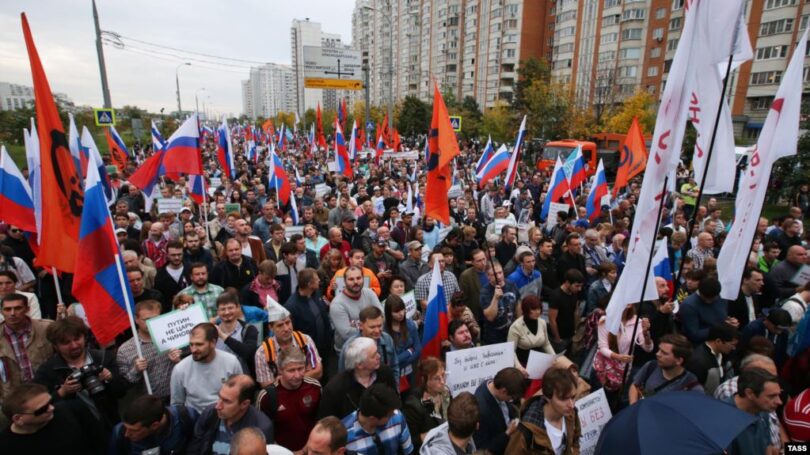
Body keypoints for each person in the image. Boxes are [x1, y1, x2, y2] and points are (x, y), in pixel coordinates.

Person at [34, 316, 126, 426]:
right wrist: (62, 392)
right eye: (66, 343)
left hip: (110, 422)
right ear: (56, 346)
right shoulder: (48, 370)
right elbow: (38, 406)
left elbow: (122, 392)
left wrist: (110, 378)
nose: (74, 345)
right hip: (73, 427)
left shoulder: (103, 358)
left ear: (85, 337)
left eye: (77, 339)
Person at [0, 382, 106, 454]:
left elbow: (102, 444)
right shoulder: (5, 446)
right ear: (18, 419)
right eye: (42, 409)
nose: (51, 408)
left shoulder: (73, 410)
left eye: (51, 402)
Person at [187, 374, 274, 454]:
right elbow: (194, 449)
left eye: (226, 401)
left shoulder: (261, 428)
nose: (218, 406)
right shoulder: (210, 413)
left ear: (244, 404)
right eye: (219, 397)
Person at [256, 347, 322, 452]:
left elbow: (321, 422)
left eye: (300, 369)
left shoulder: (314, 387)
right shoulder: (266, 397)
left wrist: (306, 449)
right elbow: (261, 433)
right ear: (280, 370)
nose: (297, 375)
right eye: (291, 370)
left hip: (310, 449)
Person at [505, 368, 582, 455]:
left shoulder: (572, 413)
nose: (571, 405)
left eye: (573, 397)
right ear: (547, 397)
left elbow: (575, 441)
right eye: (563, 399)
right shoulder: (526, 430)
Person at [116, 300, 182, 400]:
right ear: (136, 319)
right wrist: (136, 370)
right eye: (146, 319)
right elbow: (124, 385)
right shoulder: (125, 350)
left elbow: (195, 356)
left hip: (179, 396)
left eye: (155, 319)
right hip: (151, 402)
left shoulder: (173, 335)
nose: (151, 323)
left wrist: (184, 313)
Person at [318, 337, 397, 420]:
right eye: (373, 356)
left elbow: (394, 401)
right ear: (359, 365)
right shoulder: (335, 389)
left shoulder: (384, 372)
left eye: (377, 352)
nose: (379, 356)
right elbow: (327, 423)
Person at [170, 323, 244, 413]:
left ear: (213, 343)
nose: (193, 349)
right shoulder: (180, 369)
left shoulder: (231, 362)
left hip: (227, 415)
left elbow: (241, 394)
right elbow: (177, 405)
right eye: (191, 344)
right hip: (196, 418)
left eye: (199, 344)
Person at [255, 299, 322, 387]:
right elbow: (266, 385)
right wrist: (304, 376)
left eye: (288, 322)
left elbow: (318, 372)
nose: (286, 329)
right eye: (280, 325)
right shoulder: (262, 352)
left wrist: (284, 380)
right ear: (271, 328)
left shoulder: (305, 340)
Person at [0, 292, 52, 401]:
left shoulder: (46, 328)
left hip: (48, 391)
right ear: (1, 311)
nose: (12, 313)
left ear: (27, 309)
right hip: (13, 398)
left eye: (18, 308)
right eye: (8, 309)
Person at [109, 394, 200, 454]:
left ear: (154, 425)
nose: (127, 434)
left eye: (134, 430)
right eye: (126, 428)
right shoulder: (119, 433)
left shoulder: (187, 418)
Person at [629, 334, 703, 404]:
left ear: (679, 360)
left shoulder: (691, 385)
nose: (658, 354)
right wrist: (634, 407)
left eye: (664, 353)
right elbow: (635, 385)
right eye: (659, 350)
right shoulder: (651, 366)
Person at [342, 383, 413, 455]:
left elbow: (408, 451)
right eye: (389, 416)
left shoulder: (398, 417)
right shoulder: (343, 434)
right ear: (373, 418)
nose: (394, 415)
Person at [724, 368, 782, 455]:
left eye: (778, 395)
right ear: (750, 393)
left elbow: (767, 447)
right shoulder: (722, 420)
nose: (779, 402)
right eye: (771, 396)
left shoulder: (762, 409)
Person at [285, 268, 333, 369]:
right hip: (307, 353)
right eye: (316, 279)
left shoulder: (317, 293)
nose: (319, 280)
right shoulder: (291, 306)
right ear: (310, 284)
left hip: (324, 349)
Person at [329, 266, 384, 353]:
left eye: (358, 278)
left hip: (373, 344)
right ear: (344, 281)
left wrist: (357, 325)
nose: (356, 282)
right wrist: (372, 327)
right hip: (349, 350)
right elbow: (347, 334)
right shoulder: (337, 304)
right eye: (351, 279)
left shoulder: (369, 293)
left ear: (363, 279)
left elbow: (382, 316)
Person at [403, 357, 452, 452]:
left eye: (443, 375)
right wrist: (437, 433)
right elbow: (412, 442)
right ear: (424, 380)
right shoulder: (413, 405)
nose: (442, 382)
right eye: (436, 378)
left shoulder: (446, 393)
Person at [473, 367, 525, 455]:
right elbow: (483, 449)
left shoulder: (492, 385)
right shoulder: (481, 411)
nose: (510, 401)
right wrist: (507, 433)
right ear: (504, 391)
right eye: (511, 398)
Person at [338, 306, 399, 381]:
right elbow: (344, 377)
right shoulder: (349, 347)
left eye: (380, 326)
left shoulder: (387, 339)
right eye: (372, 327)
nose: (377, 331)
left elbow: (394, 367)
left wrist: (394, 387)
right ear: (360, 326)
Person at [679, 276, 737, 345]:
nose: (708, 301)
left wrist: (730, 323)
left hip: (722, 341)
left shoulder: (722, 298)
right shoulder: (688, 305)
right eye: (705, 298)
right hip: (702, 344)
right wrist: (720, 328)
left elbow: (722, 318)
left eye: (712, 298)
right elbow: (694, 335)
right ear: (699, 292)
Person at [686, 323, 739, 396]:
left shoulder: (724, 354)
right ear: (718, 341)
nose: (734, 348)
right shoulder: (698, 362)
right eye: (732, 345)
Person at [214, 293, 260, 376]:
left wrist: (222, 336)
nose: (227, 312)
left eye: (230, 308)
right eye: (223, 309)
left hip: (243, 379)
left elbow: (247, 353)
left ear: (238, 307)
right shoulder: (211, 332)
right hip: (218, 378)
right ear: (217, 311)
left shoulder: (249, 329)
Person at [384, 294, 421, 391]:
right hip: (393, 376)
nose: (401, 313)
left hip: (410, 373)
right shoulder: (384, 330)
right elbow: (390, 360)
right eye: (396, 311)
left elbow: (418, 350)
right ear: (389, 313)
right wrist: (409, 352)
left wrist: (401, 362)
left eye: (402, 309)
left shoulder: (410, 325)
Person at [480, 261, 520, 345]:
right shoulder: (485, 291)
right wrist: (495, 298)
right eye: (494, 274)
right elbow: (490, 317)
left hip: (512, 333)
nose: (498, 276)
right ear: (488, 276)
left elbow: (518, 306)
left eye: (500, 272)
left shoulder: (511, 285)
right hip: (494, 338)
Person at [508, 295, 554, 366]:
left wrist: (554, 357)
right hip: (522, 364)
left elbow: (546, 344)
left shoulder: (542, 322)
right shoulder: (516, 326)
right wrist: (519, 367)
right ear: (526, 310)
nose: (537, 312)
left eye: (539, 309)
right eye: (533, 309)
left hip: (540, 362)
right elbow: (511, 351)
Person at [547, 270, 585, 354]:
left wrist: (575, 330)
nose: (579, 289)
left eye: (581, 286)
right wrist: (557, 338)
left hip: (571, 334)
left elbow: (576, 311)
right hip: (560, 336)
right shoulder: (556, 296)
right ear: (567, 283)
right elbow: (552, 319)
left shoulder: (574, 293)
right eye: (577, 286)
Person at [154, 240, 192, 306]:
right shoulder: (160, 275)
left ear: (183, 254)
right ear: (167, 255)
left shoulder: (191, 269)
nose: (177, 257)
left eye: (179, 254)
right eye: (173, 255)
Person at [457, 249, 488, 322]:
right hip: (477, 314)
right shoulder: (466, 276)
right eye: (479, 261)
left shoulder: (491, 270)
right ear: (472, 262)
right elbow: (464, 297)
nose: (483, 263)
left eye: (484, 259)